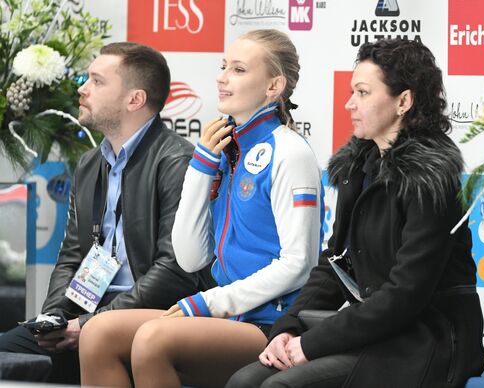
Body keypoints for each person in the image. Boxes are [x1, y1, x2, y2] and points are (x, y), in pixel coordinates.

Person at [227, 38, 484, 388]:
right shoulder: (360, 166)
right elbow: (335, 264)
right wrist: (288, 328)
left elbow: (405, 296)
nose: (349, 103)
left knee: (280, 386)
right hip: (378, 331)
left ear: (404, 101)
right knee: (244, 380)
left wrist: (313, 343)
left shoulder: (430, 177)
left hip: (430, 338)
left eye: (363, 93)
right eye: (352, 91)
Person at [78, 29, 324, 388]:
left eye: (238, 70)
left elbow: (298, 264)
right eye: (224, 66)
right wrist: (201, 166)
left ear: (274, 87)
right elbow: (191, 258)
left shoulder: (290, 152)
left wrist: (211, 302)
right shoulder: (224, 149)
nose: (222, 78)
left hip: (272, 323)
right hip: (224, 314)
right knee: (98, 332)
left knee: (152, 339)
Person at [0, 42, 213, 384]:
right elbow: (72, 255)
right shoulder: (89, 163)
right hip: (87, 313)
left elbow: (176, 271)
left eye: (97, 82)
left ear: (135, 100)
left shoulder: (177, 161)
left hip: (151, 318)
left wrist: (89, 325)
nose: (82, 88)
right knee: (6, 353)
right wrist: (55, 319)